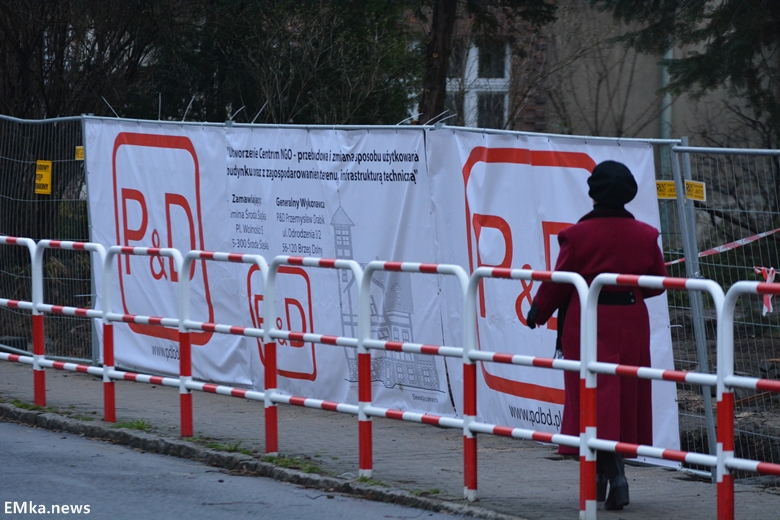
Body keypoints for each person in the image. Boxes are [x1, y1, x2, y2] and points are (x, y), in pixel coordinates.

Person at [525, 160, 667, 511]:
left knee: (592, 399)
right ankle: (608, 477)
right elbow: (658, 282)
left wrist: (537, 312)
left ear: (593, 192)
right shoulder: (647, 235)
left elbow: (560, 283)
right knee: (622, 400)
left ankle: (611, 477)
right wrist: (629, 296)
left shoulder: (577, 236)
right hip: (632, 322)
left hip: (587, 320)